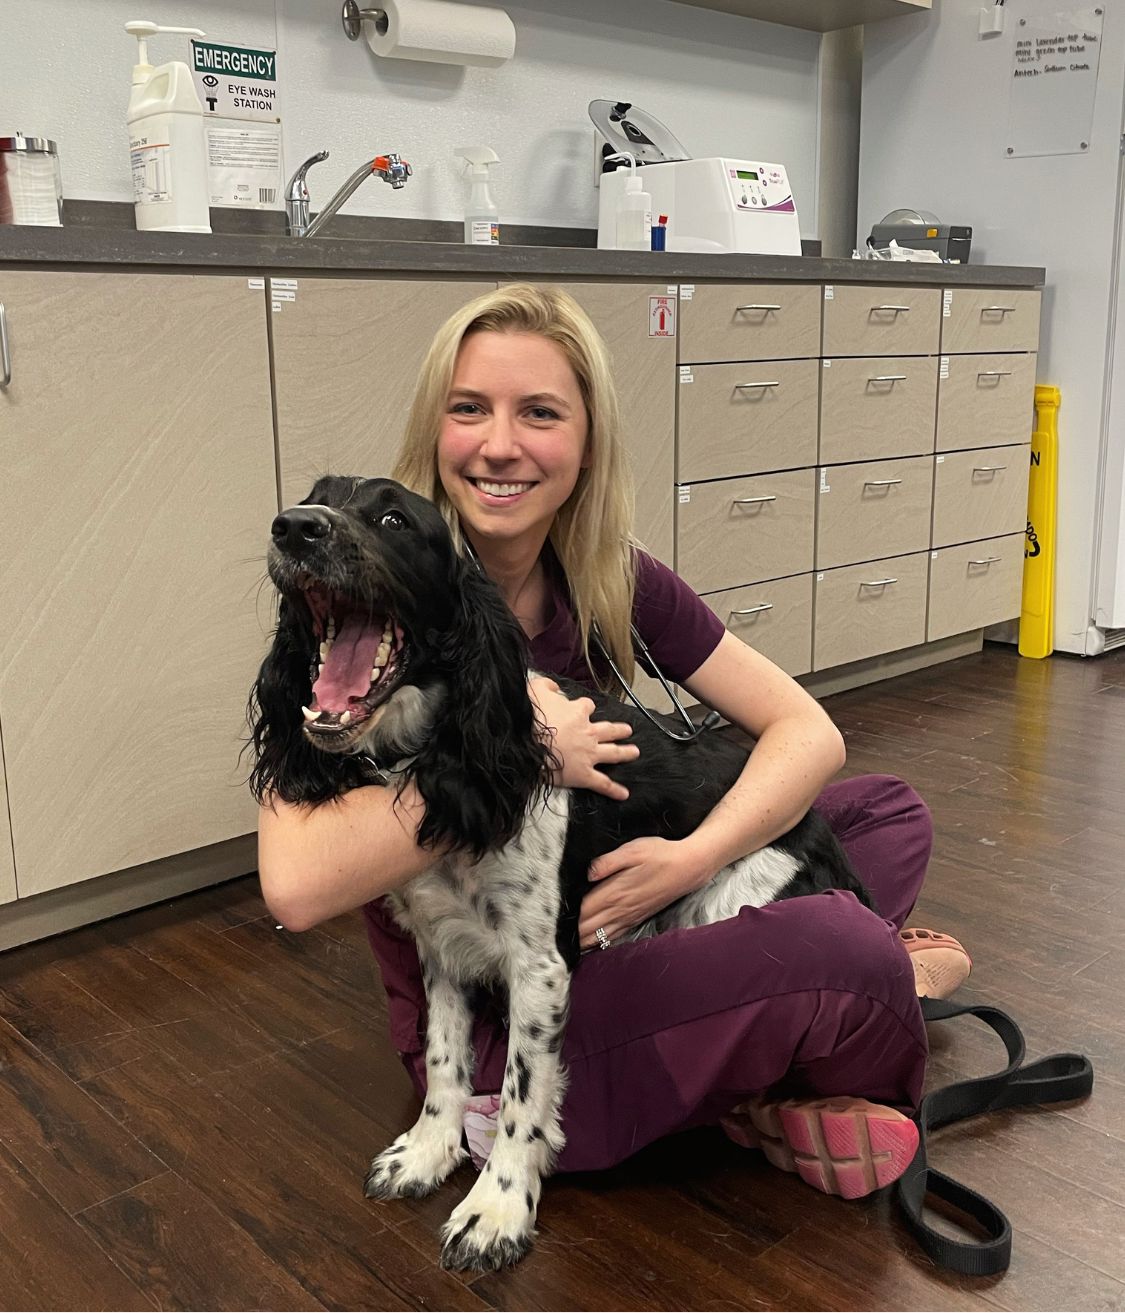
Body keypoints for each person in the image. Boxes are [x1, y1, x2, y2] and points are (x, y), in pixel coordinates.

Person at [257, 283, 971, 1195]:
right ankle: (808, 1021)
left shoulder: (606, 573)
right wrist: (524, 749)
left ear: (586, 445)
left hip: (616, 914)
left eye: (540, 413)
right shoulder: (364, 594)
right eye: (469, 408)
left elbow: (807, 730)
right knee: (847, 948)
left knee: (881, 809)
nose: (501, 443)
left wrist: (689, 860)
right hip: (507, 1013)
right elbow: (294, 884)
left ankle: (763, 1024)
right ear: (436, 428)